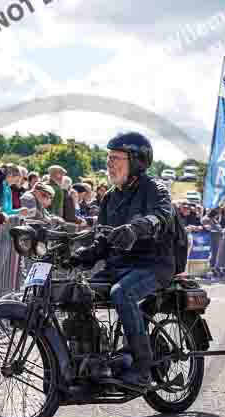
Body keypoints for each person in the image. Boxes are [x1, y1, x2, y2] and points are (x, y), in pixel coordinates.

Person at [69, 132, 174, 391]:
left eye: (116, 158)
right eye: (108, 157)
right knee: (74, 292)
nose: (109, 163)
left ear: (136, 161)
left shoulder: (155, 189)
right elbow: (102, 242)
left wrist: (136, 229)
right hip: (119, 266)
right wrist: (79, 256)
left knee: (122, 293)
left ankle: (142, 368)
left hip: (153, 264)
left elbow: (161, 215)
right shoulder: (110, 198)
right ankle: (92, 361)